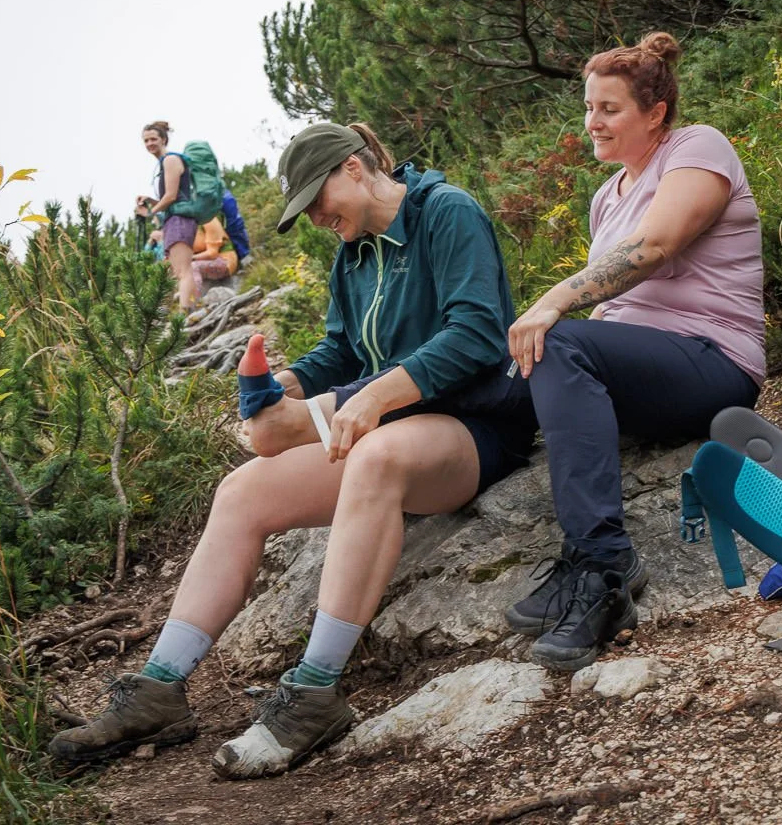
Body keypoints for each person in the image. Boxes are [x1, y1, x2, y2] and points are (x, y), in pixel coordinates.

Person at [50, 122, 534, 779]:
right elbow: (339, 351)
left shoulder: (445, 213)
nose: (314, 217)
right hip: (387, 420)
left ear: (355, 170)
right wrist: (287, 384)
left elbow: (478, 335)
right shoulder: (353, 253)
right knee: (242, 490)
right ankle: (160, 689)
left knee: (375, 455)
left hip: (470, 426)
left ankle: (313, 694)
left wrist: (371, 397)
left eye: (317, 199)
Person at [501, 31, 765, 672]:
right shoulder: (606, 195)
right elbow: (613, 314)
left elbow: (657, 246)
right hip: (644, 367)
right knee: (506, 365)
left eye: (609, 109)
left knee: (555, 338)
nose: (592, 122)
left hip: (711, 360)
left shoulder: (697, 148)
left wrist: (557, 299)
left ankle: (603, 564)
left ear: (656, 113)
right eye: (588, 108)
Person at [134, 120, 198, 311]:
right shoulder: (165, 163)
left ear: (163, 139)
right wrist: (152, 201)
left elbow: (171, 196)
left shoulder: (170, 160)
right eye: (146, 141)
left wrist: (150, 212)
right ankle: (173, 313)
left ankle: (186, 314)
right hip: (175, 220)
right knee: (169, 271)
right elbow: (174, 197)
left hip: (180, 221)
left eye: (153, 139)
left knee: (182, 270)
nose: (149, 144)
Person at [189, 216, 239, 296]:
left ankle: (193, 300)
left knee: (193, 267)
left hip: (224, 259)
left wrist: (191, 258)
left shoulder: (209, 220)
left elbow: (212, 253)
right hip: (201, 260)